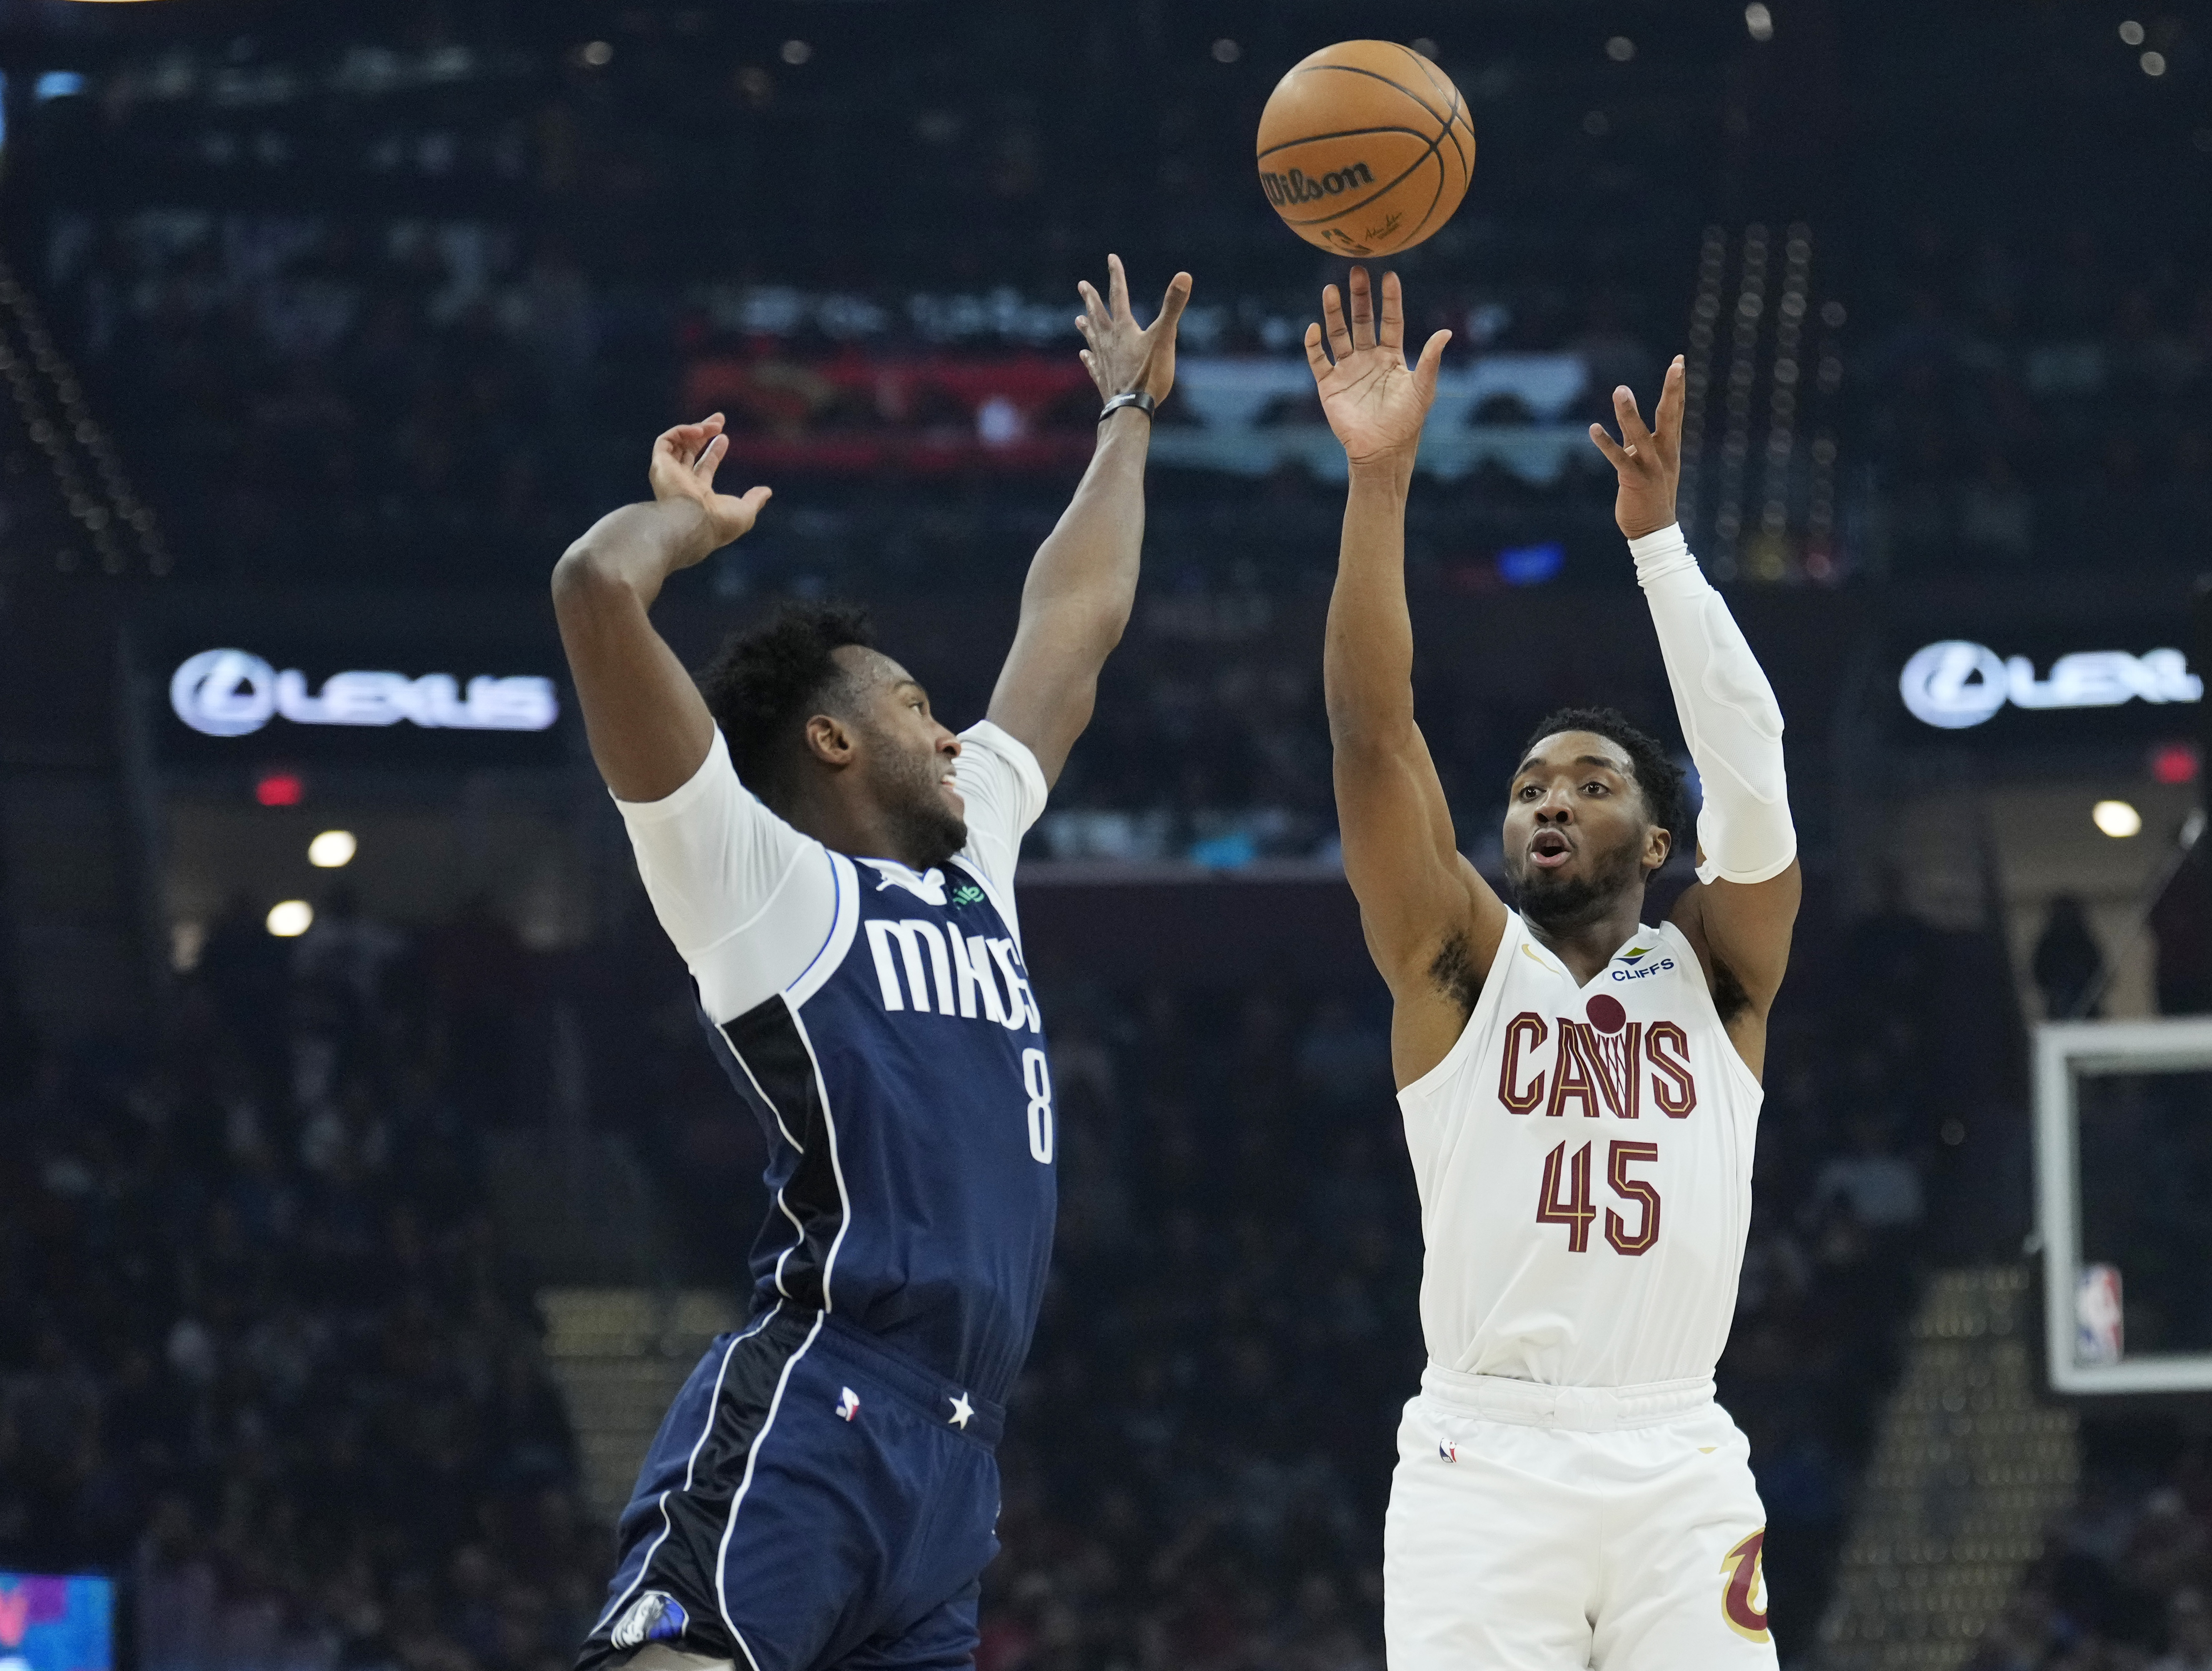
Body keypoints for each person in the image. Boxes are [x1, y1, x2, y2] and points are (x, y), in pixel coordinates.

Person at [551, 255, 1190, 1671]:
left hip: (960, 1464)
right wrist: (669, 529)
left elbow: (1070, 630)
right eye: (915, 704)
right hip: (823, 1400)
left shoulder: (977, 861)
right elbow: (595, 592)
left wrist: (1129, 415)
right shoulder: (760, 882)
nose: (956, 733)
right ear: (829, 742)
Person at [1303, 266, 1801, 1667]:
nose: (1547, 802)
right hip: (1486, 1456)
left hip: (1679, 1456)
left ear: (1656, 837)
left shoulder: (1718, 973)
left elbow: (1756, 777)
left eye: (1587, 782)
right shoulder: (1459, 963)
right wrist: (1381, 483)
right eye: (1528, 785)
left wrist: (1660, 549)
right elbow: (1369, 733)